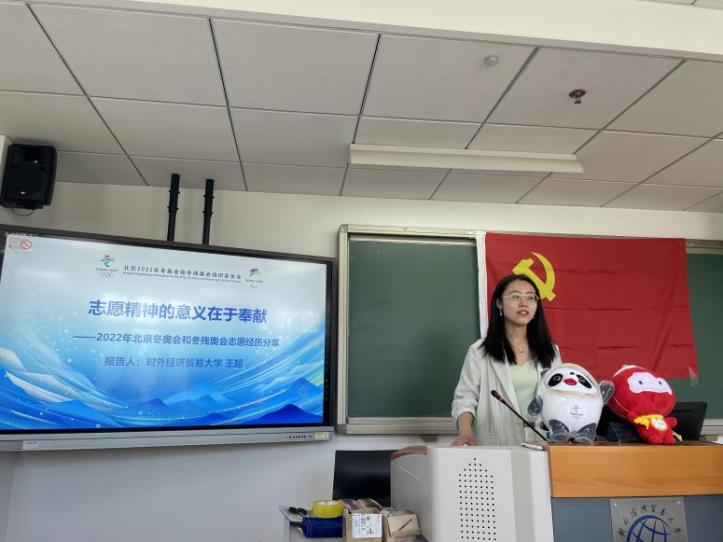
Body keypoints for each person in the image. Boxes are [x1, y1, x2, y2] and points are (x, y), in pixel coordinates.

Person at [451, 273, 561, 446]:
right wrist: (466, 432)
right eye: (515, 296)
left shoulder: (551, 351)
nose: (524, 303)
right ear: (499, 303)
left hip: (542, 445)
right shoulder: (479, 352)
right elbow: (465, 399)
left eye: (530, 297)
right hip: (497, 446)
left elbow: (559, 398)